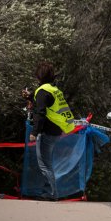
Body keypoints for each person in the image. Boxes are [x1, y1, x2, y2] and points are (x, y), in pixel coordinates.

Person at [28, 62, 75, 200]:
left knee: (44, 164)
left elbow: (40, 113)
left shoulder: (42, 91)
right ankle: (49, 192)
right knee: (47, 163)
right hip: (55, 131)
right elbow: (48, 105)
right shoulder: (54, 89)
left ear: (39, 76)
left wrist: (34, 132)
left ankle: (50, 193)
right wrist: (30, 97)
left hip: (46, 132)